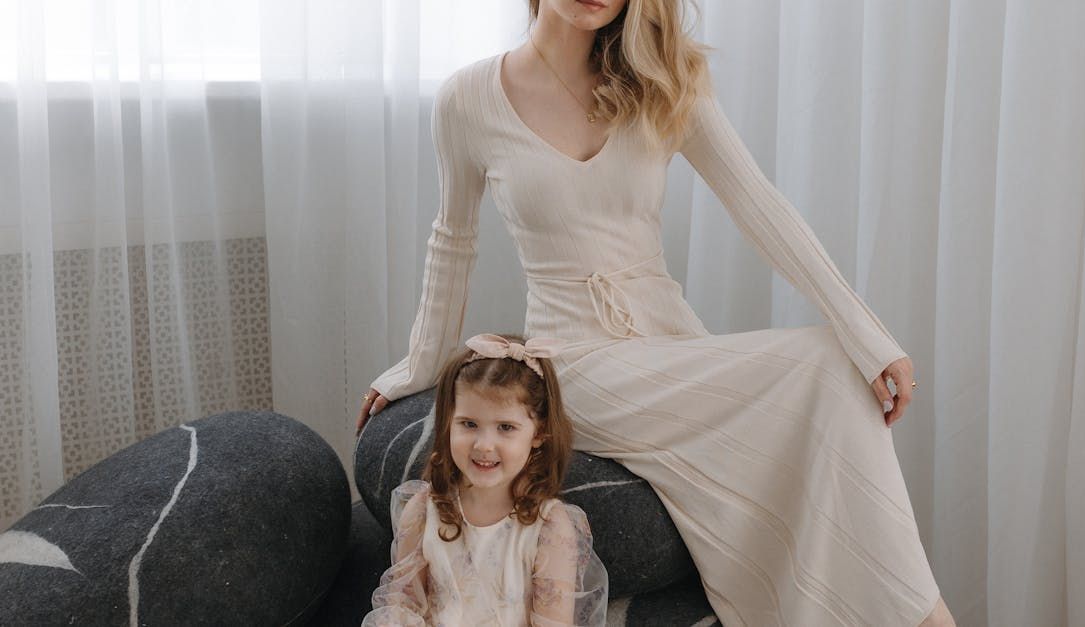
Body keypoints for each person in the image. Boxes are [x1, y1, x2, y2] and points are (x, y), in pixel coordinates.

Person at [357, 0, 956, 625]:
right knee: (825, 368)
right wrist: (419, 365)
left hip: (671, 342)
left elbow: (761, 207)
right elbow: (452, 241)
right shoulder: (468, 99)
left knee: (838, 371)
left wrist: (869, 335)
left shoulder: (662, 81)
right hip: (578, 364)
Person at [362, 332, 608, 626]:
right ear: (447, 422)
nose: (484, 445)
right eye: (469, 424)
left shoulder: (549, 528)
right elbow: (402, 606)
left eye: (505, 427)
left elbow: (553, 621)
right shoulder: (423, 511)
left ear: (539, 433)